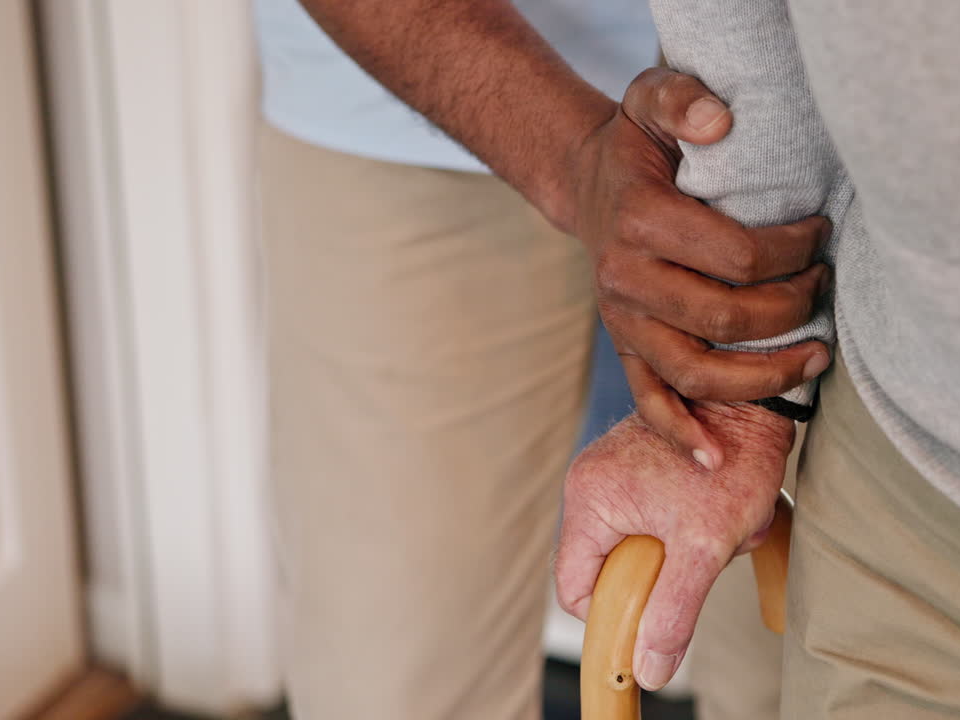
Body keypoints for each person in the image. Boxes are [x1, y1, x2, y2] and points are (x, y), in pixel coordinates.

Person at [302, 1, 960, 718]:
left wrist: (738, 363)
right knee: (399, 667)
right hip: (437, 93)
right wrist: (731, 373)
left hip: (835, 208)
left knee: (754, 674)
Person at [252, 1, 783, 719]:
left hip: (786, 117)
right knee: (402, 679)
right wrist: (574, 158)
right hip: (410, 102)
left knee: (796, 665)